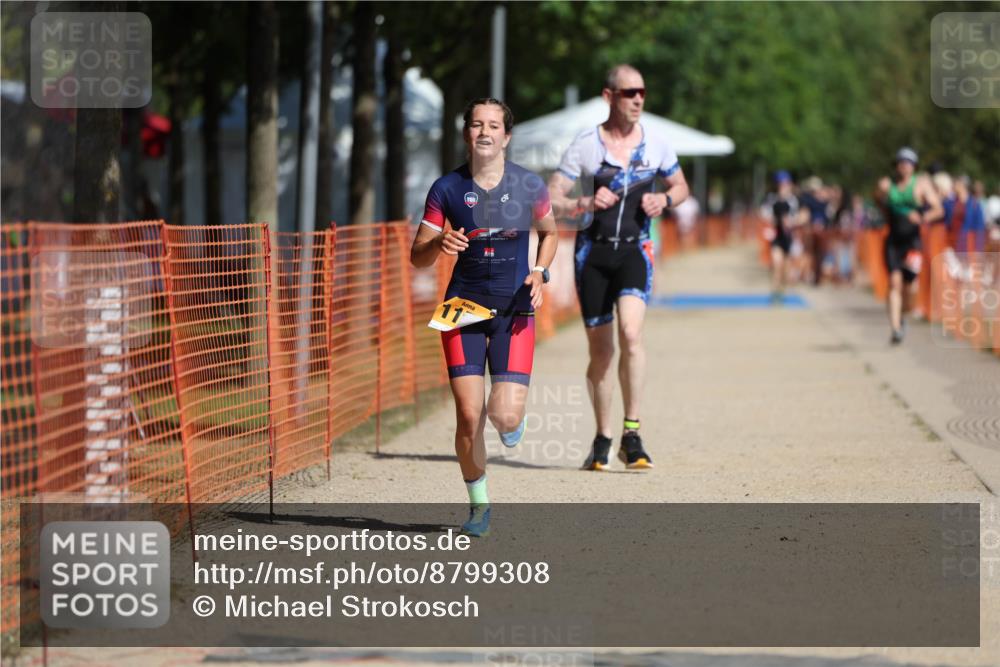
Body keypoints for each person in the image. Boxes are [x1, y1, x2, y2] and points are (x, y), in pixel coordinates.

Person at [409, 98, 558, 536]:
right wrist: (439, 245)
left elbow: (549, 234)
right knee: (469, 415)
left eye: (493, 125)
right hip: (463, 310)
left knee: (504, 416)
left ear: (507, 136)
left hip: (514, 308)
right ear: (466, 134)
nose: (485, 132)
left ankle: (513, 417)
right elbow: (417, 257)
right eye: (476, 124)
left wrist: (539, 271)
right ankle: (478, 505)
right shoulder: (446, 189)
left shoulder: (530, 185)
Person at [547, 64, 689, 471]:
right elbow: (553, 197)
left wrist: (665, 201)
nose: (639, 99)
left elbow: (680, 187)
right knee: (602, 352)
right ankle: (603, 437)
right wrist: (585, 203)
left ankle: (632, 431)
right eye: (630, 93)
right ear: (609, 96)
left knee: (631, 332)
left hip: (634, 251)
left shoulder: (657, 144)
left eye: (642, 91)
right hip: (592, 254)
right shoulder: (586, 146)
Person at [874, 147, 942, 344]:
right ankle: (895, 328)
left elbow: (938, 209)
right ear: (896, 165)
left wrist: (922, 216)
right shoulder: (888, 185)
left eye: (908, 162)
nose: (904, 166)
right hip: (893, 241)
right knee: (894, 284)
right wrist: (880, 194)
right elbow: (878, 200)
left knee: (910, 288)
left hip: (912, 243)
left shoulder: (921, 185)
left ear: (914, 166)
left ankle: (902, 317)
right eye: (900, 162)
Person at [761, 170, 800, 301]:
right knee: (777, 264)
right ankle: (774, 291)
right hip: (777, 237)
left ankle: (781, 290)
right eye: (781, 184)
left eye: (785, 184)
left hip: (788, 238)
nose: (783, 187)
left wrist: (791, 222)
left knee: (785, 267)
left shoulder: (793, 201)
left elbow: (797, 217)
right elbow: (764, 213)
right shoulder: (772, 199)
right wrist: (771, 221)